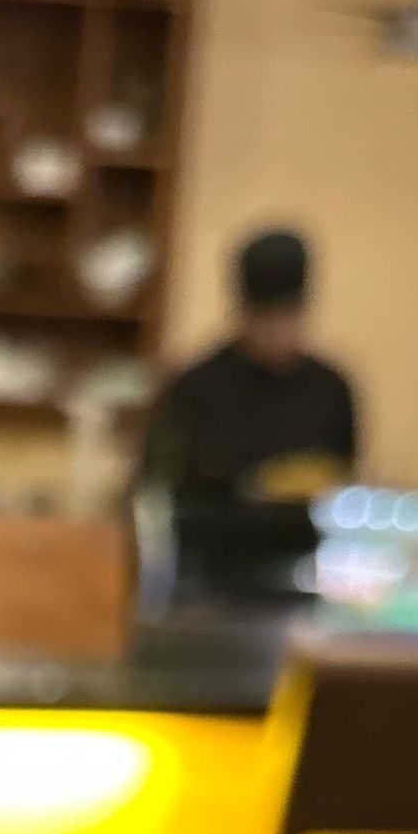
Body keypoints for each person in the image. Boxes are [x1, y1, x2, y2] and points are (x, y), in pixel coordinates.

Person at [140, 228, 360, 603]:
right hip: (206, 587)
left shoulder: (331, 387)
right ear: (240, 311)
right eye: (264, 317)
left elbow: (346, 483)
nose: (277, 331)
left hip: (303, 584)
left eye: (288, 315)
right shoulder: (197, 386)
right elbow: (157, 491)